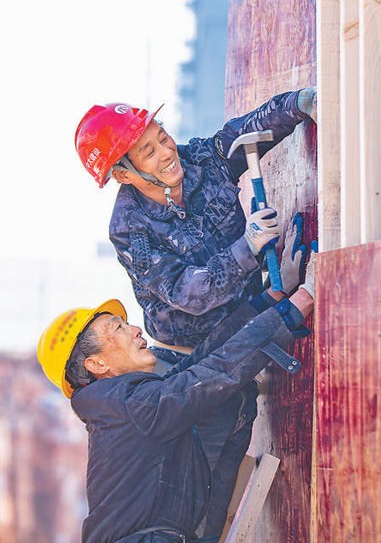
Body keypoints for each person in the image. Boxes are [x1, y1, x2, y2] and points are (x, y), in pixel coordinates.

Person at [37, 251, 316, 543]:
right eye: (118, 329)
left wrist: (268, 301)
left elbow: (198, 365)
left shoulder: (123, 404)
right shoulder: (130, 406)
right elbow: (210, 375)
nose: (134, 330)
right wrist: (293, 310)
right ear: (97, 365)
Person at [74, 88, 317, 350]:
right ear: (124, 175)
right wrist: (248, 246)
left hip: (251, 305)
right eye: (149, 153)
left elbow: (243, 132)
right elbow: (189, 291)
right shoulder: (131, 232)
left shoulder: (200, 160)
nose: (167, 153)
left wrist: (299, 103)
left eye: (163, 137)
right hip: (196, 350)